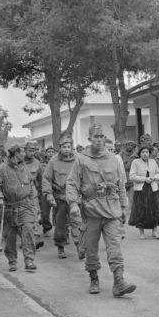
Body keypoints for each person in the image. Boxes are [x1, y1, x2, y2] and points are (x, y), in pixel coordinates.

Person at [66, 122, 136, 297]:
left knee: (115, 247)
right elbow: (72, 183)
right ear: (89, 139)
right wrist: (73, 204)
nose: (98, 140)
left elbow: (120, 184)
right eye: (95, 137)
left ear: (105, 138)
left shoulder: (114, 159)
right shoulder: (81, 159)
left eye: (101, 136)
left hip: (112, 211)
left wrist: (124, 207)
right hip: (91, 212)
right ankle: (94, 277)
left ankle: (119, 281)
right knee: (91, 249)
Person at [0, 146, 39, 272]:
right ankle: (12, 260)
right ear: (15, 154)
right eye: (21, 152)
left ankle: (29, 260)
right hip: (9, 207)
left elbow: (32, 186)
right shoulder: (2, 169)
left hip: (26, 205)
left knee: (28, 230)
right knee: (11, 236)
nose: (24, 154)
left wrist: (35, 204)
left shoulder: (24, 167)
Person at [42, 134, 83, 259]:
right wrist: (49, 195)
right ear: (60, 148)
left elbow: (85, 176)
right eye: (64, 147)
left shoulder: (79, 159)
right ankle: (60, 247)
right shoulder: (53, 161)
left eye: (68, 146)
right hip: (59, 197)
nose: (66, 149)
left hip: (75, 197)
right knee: (60, 224)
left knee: (77, 222)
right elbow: (46, 179)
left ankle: (79, 246)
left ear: (72, 147)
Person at [128, 144, 159, 239]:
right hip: (141, 189)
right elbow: (132, 176)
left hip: (153, 189)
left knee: (155, 210)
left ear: (149, 153)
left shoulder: (153, 162)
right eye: (143, 152)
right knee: (141, 210)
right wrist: (144, 179)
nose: (145, 154)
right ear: (139, 153)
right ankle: (141, 232)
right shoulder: (135, 162)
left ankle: (155, 231)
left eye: (147, 152)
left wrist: (153, 177)